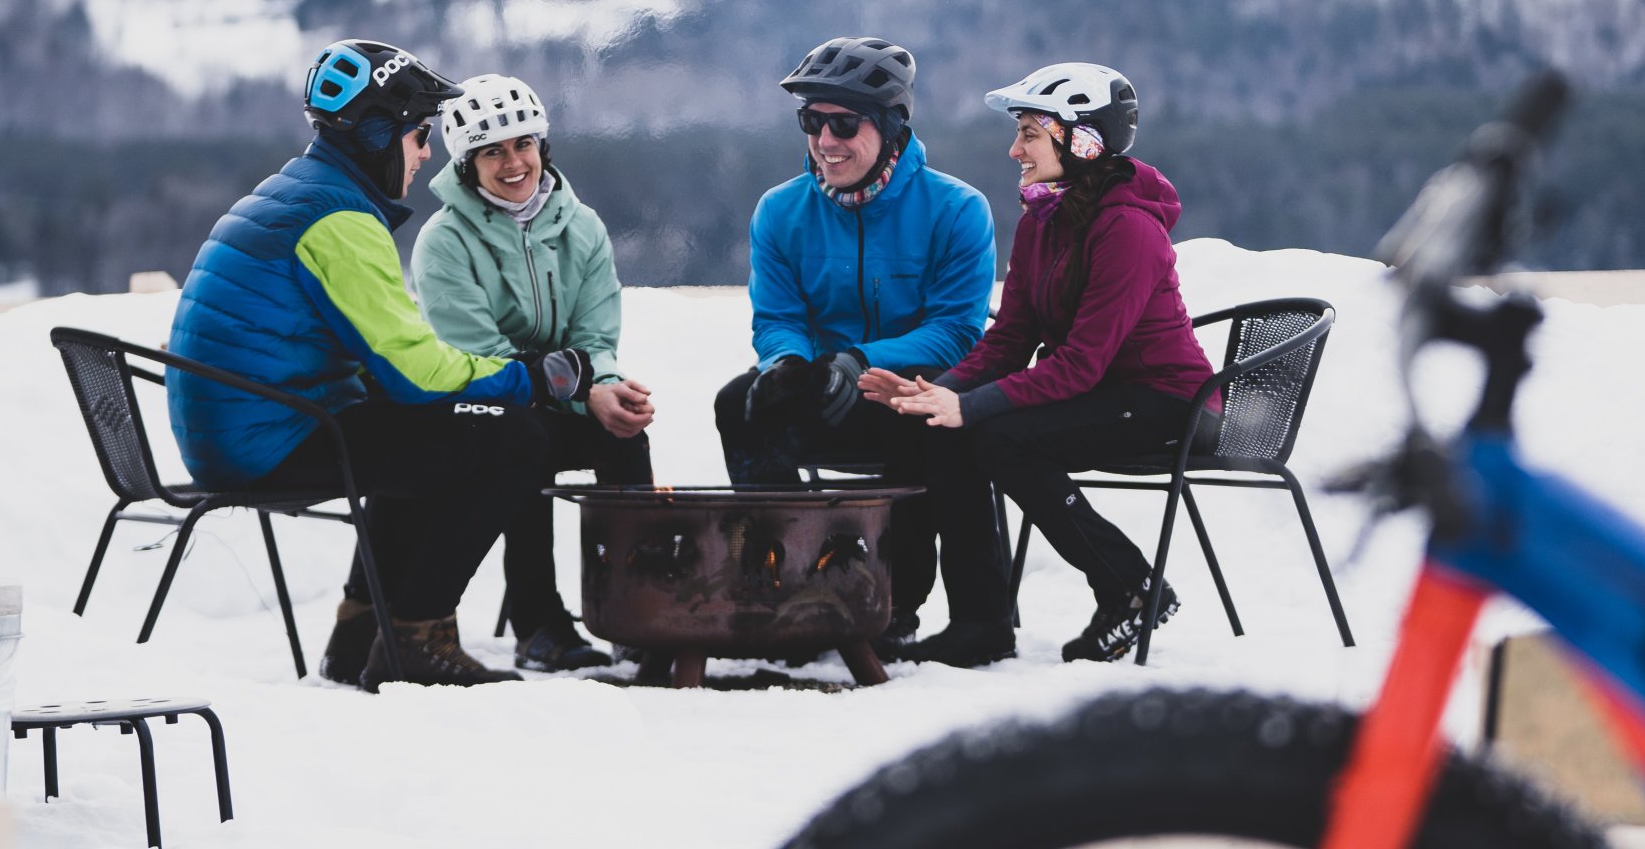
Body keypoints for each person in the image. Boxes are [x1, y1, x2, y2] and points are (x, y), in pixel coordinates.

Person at [167, 38, 626, 691]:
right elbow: (414, 372)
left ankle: (360, 635)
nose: (426, 153)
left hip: (253, 427)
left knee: (418, 428)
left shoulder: (304, 193)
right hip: (271, 437)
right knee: (514, 436)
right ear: (378, 135)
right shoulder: (337, 218)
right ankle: (419, 633)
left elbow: (396, 370)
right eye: (418, 135)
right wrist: (530, 378)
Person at [862, 62, 1216, 665]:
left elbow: (1080, 361)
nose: (1014, 149)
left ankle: (1129, 586)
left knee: (1000, 438)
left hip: (1166, 402)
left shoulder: (1129, 230)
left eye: (1029, 133)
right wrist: (938, 393)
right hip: (1104, 391)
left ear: (1081, 141)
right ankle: (980, 623)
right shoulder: (1042, 223)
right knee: (946, 428)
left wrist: (971, 405)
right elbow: (1010, 341)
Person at [715, 35, 1001, 653]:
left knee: (950, 423)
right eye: (811, 123)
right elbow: (777, 316)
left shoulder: (958, 210)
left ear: (892, 127)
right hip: (826, 391)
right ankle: (788, 588)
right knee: (740, 403)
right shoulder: (780, 211)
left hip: (915, 392)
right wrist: (788, 364)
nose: (825, 141)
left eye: (844, 123)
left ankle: (963, 616)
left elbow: (956, 331)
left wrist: (864, 360)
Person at [411, 72, 655, 673]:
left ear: (543, 147)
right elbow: (478, 356)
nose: (512, 162)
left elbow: (595, 335)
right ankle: (538, 621)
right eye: (491, 151)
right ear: (468, 165)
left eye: (523, 144)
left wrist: (605, 388)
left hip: (558, 393)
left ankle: (639, 608)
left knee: (626, 434)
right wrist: (578, 390)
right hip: (475, 406)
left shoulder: (582, 226)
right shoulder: (442, 241)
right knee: (525, 436)